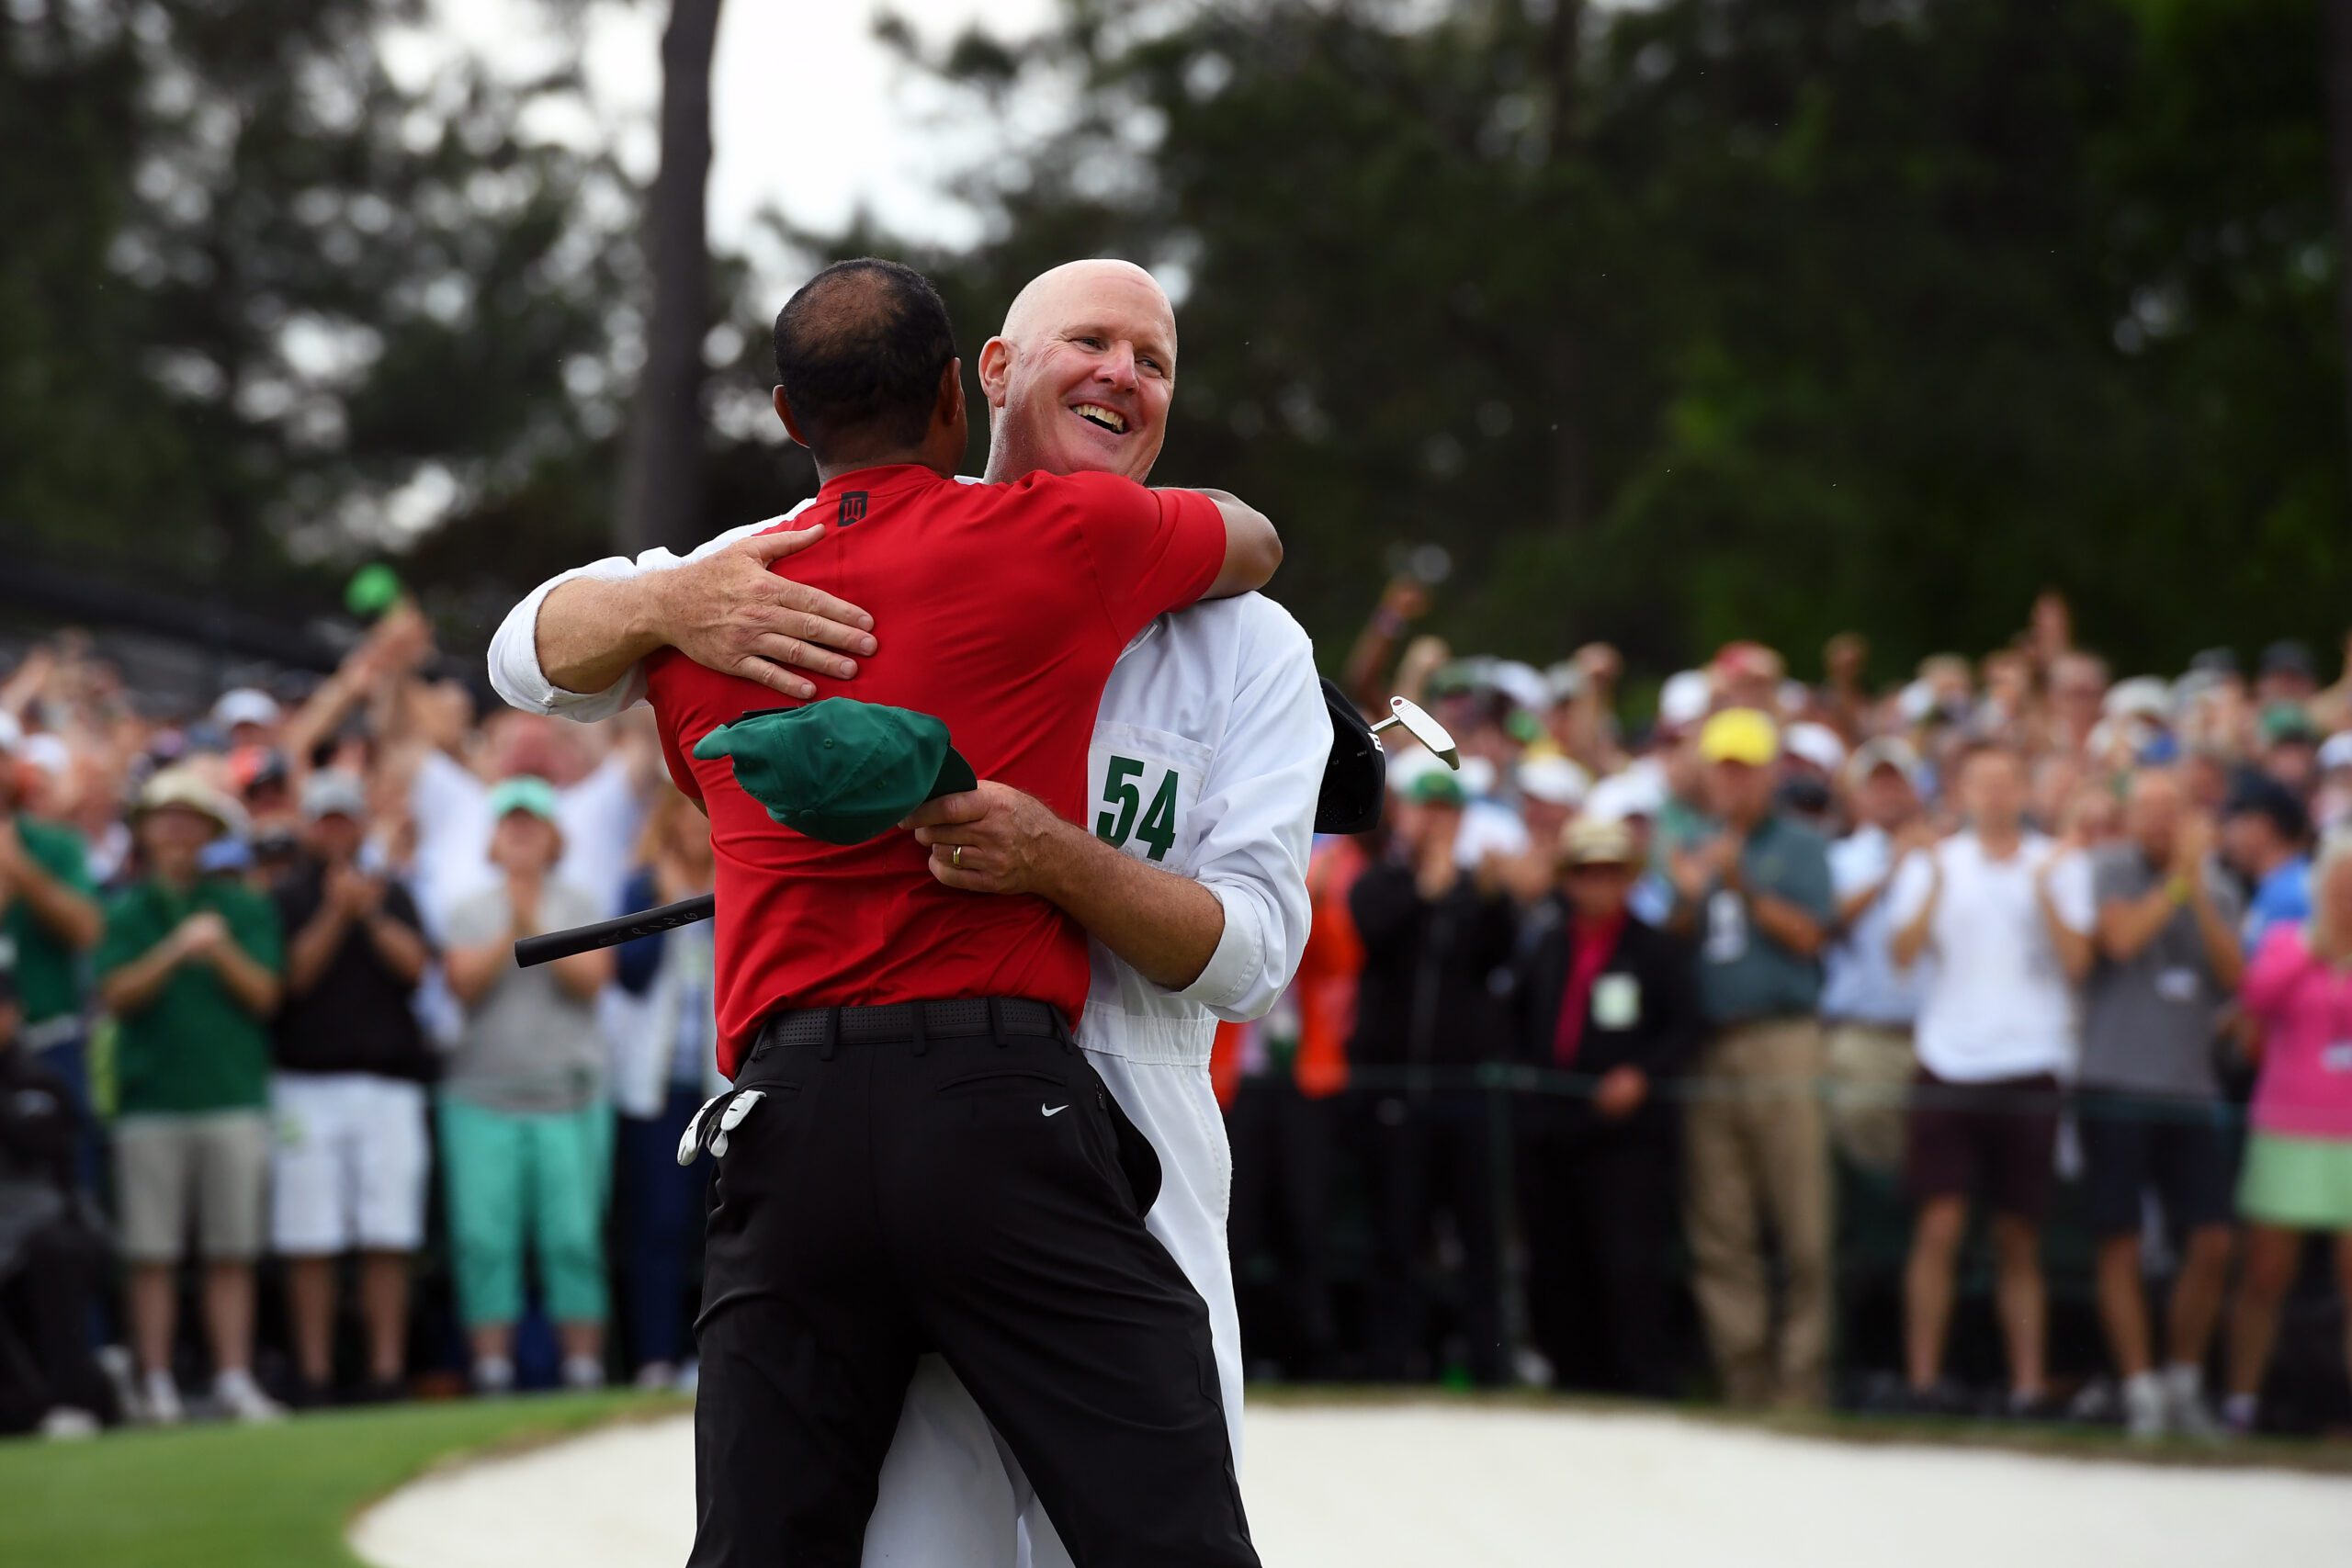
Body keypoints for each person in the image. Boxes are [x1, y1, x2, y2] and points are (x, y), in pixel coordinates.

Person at [492, 257, 1322, 1568]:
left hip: (943, 1124)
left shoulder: (1251, 645)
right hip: (1003, 1113)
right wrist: (671, 591)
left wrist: (1058, 858)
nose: (1123, 373)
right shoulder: (759, 580)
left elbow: (1254, 959)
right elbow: (528, 643)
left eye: (1153, 358)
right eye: (1090, 342)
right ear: (974, 379)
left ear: (788, 411)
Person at [1888, 740, 2093, 1414]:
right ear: (1962, 791)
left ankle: (2028, 1384)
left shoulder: (2057, 862)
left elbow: (2077, 961)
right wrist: (1931, 885)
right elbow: (1902, 956)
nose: (1996, 795)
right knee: (1940, 1224)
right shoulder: (1934, 863)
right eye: (1983, 783)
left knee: (2017, 1233)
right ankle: (1923, 1380)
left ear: (2023, 790)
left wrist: (2044, 897)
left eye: (2007, 782)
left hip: (2029, 1060)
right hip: (1950, 1058)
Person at [96, 767, 285, 1424]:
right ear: (146, 831)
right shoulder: (127, 910)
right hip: (151, 1101)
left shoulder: (244, 906)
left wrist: (221, 948)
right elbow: (115, 994)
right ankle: (156, 1383)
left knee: (231, 1249)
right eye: (165, 818)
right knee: (152, 1255)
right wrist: (176, 950)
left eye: (190, 819)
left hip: (231, 1094)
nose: (177, 830)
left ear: (208, 832)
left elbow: (265, 996)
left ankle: (232, 1378)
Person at [1667, 708, 1836, 1409]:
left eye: (1743, 767)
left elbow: (1809, 936)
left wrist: (1738, 883)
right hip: (1711, 1043)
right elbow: (1679, 940)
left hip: (1782, 1039)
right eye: (1721, 767)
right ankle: (1743, 1380)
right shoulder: (1696, 845)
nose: (1731, 780)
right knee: (1721, 1223)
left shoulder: (1797, 845)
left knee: (1803, 1223)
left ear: (1770, 773)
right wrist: (1687, 894)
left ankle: (1800, 1387)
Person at [437, 776, 615, 1394]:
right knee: (484, 1239)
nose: (520, 832)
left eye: (531, 822)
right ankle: (491, 1369)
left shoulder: (581, 902)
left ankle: (583, 1368)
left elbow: (591, 980)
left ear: (553, 837)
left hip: (570, 1097)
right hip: (481, 1096)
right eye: (510, 822)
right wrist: (512, 920)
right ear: (493, 837)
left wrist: (532, 918)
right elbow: (463, 984)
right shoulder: (467, 909)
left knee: (573, 1237)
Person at [2080, 770, 2243, 1438]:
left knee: (2211, 1238)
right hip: (2116, 1080)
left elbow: (2235, 976)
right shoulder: (2108, 869)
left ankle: (2182, 1378)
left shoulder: (2221, 885)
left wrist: (2197, 891)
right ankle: (2140, 1386)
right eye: (2146, 810)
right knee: (2117, 1237)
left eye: (2169, 810)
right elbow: (2119, 941)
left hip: (2188, 1085)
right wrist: (2176, 881)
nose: (2157, 822)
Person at [1512, 816, 1698, 1396]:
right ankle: (1573, 1374)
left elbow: (1685, 1026)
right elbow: (1518, 1017)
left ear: (1628, 879)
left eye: (1610, 873)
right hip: (1556, 1124)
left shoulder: (1655, 948)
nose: (1597, 884)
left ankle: (1639, 1378)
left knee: (1628, 1258)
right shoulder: (1547, 942)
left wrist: (1642, 1075)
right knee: (1558, 1254)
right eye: (1587, 873)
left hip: (1627, 1133)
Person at [266, 769, 434, 1404]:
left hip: (389, 1084)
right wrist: (339, 915)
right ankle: (314, 1376)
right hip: (305, 1083)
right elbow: (288, 982)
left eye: (344, 818)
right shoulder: (286, 896)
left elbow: (417, 969)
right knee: (310, 1237)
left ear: (361, 824)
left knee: (387, 1233)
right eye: (324, 819)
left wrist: (368, 915)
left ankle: (386, 1373)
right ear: (308, 826)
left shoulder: (394, 892)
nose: (335, 830)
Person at [1348, 769, 1518, 1384]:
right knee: (1396, 1232)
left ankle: (1486, 1364)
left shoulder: (1477, 890)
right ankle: (1393, 1364)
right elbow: (1374, 937)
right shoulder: (1382, 884)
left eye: (1450, 812)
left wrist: (1496, 901)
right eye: (1429, 810)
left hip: (1463, 1090)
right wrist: (1424, 891)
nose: (1438, 823)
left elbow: (1498, 960)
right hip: (1394, 1089)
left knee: (1478, 1235)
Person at [2222, 832, 2352, 1435]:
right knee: (2265, 1273)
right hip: (2287, 1128)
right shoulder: (2284, 942)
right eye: (2339, 882)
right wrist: (2315, 950)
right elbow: (2256, 997)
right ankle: (2242, 1402)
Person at [605, 787, 720, 1390]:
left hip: (720, 1085)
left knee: (719, 1227)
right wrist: (670, 904)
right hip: (654, 1087)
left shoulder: (737, 884)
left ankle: (714, 1356)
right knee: (659, 1224)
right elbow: (631, 974)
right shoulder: (641, 886)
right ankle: (654, 1356)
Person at [0, 942, 115, 1437]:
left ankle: (73, 1399)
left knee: (58, 1252)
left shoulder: (40, 1079)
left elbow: (43, 1146)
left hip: (47, 1225)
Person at [1819, 739, 1932, 1179]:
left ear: (1916, 791)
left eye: (1897, 783)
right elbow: (1827, 924)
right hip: (1864, 1034)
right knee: (1865, 1141)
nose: (1888, 794)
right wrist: (1891, 872)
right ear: (1855, 797)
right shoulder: (1838, 857)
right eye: (1876, 784)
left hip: (1939, 1033)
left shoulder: (1947, 853)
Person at [0, 716, 104, 1187]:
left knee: (63, 1195)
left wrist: (20, 868)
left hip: (48, 1045)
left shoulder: (56, 845)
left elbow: (87, 930)